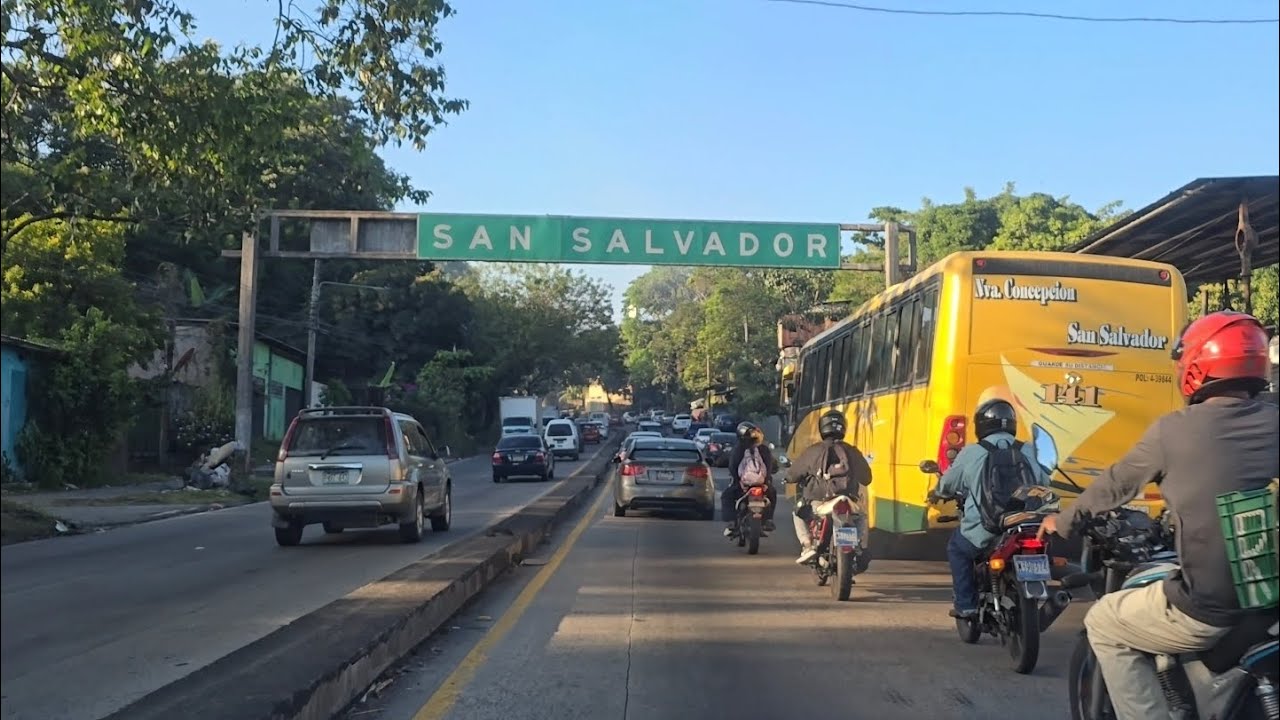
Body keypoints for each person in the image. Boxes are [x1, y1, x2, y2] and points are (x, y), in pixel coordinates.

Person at [1036, 310, 1279, 720]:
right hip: (1270, 601)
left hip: (1212, 608)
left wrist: (1062, 522)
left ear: (1196, 366)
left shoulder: (1174, 430)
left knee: (1105, 622)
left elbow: (1114, 484)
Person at [930, 398, 1050, 618]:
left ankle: (966, 605)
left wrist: (938, 493)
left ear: (981, 425)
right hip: (1026, 526)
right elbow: (1045, 482)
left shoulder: (972, 452)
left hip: (987, 528)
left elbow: (948, 484)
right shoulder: (1029, 450)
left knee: (957, 549)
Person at [786, 409, 873, 565]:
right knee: (861, 516)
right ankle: (858, 544)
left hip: (819, 502)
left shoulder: (813, 450)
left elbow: (793, 475)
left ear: (822, 428)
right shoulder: (852, 451)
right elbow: (866, 478)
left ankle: (807, 545)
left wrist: (789, 478)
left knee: (797, 513)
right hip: (847, 500)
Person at [722, 421, 778, 534]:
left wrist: (739, 483)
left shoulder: (738, 449)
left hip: (742, 485)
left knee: (726, 496)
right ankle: (768, 520)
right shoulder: (764, 449)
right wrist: (766, 482)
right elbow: (771, 466)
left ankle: (732, 522)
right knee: (772, 495)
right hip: (763, 484)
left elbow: (733, 468)